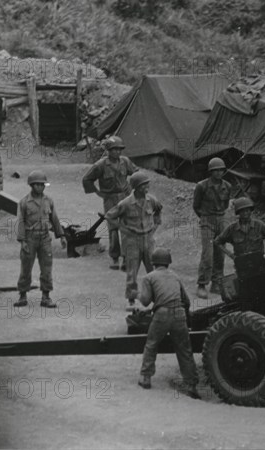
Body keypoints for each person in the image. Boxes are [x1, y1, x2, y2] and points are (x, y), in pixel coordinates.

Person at [137, 248, 200, 399]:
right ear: (168, 263)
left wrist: (138, 295)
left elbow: (145, 301)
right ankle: (191, 384)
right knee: (184, 349)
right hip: (179, 313)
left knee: (151, 344)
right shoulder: (175, 276)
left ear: (153, 263)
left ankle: (146, 377)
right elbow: (186, 301)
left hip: (162, 315)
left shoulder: (149, 277)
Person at [105, 172, 162, 311]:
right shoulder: (125, 203)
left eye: (147, 184)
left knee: (153, 270)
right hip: (132, 241)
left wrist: (155, 225)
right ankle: (131, 300)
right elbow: (110, 216)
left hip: (148, 240)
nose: (146, 187)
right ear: (136, 187)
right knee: (132, 271)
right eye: (143, 185)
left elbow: (159, 210)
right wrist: (122, 229)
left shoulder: (151, 200)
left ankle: (157, 298)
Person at [82, 136, 138, 270]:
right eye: (114, 149)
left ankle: (125, 258)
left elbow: (136, 173)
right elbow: (87, 179)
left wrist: (131, 186)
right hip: (110, 199)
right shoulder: (100, 165)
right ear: (108, 150)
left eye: (119, 149)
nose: (117, 152)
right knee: (113, 229)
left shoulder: (125, 162)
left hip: (125, 197)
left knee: (126, 228)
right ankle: (114, 258)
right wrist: (97, 192)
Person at [15, 170, 67, 308]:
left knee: (47, 267)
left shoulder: (48, 201)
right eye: (37, 185)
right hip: (30, 238)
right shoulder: (24, 202)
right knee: (26, 267)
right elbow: (20, 222)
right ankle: (22, 295)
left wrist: (61, 236)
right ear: (31, 186)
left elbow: (54, 219)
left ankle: (46, 296)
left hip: (45, 238)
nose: (40, 187)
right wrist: (22, 241)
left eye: (42, 185)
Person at [193, 157, 231, 299]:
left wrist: (219, 217)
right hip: (207, 220)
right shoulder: (202, 186)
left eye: (221, 170)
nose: (218, 173)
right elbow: (196, 206)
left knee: (220, 253)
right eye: (215, 171)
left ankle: (216, 282)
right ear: (210, 172)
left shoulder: (227, 186)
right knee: (207, 254)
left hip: (221, 220)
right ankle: (202, 284)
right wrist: (204, 218)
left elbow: (226, 205)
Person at [214, 197, 265, 278]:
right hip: (242, 267)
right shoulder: (232, 228)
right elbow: (217, 241)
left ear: (251, 211)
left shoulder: (259, 225)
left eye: (248, 210)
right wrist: (231, 255)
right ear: (238, 213)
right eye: (243, 211)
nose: (246, 213)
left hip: (259, 265)